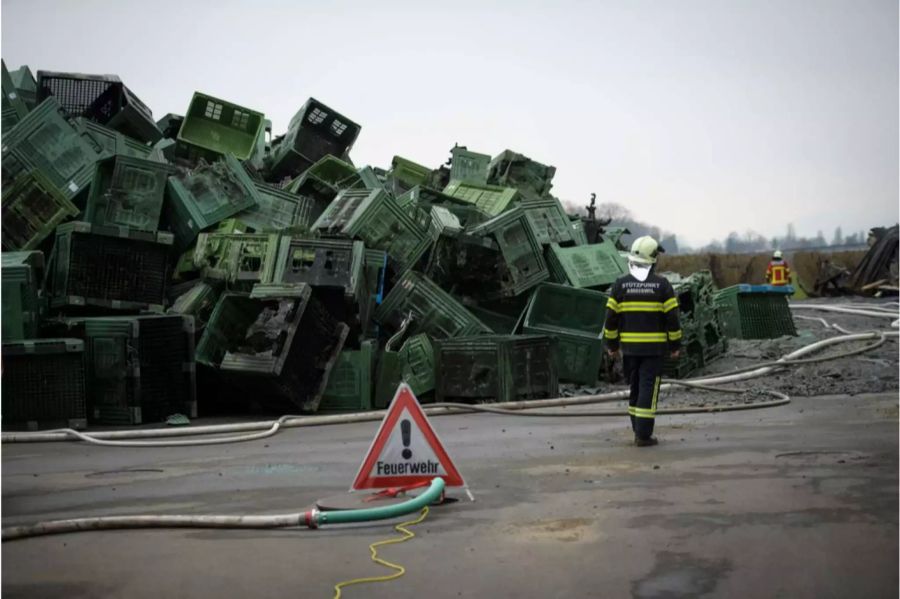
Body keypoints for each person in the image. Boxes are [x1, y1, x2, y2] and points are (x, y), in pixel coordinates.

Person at [602, 236, 682, 447]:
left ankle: (638, 429)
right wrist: (675, 346)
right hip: (653, 351)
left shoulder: (620, 285)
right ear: (653, 260)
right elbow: (672, 319)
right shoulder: (662, 286)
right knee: (648, 388)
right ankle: (644, 436)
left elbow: (610, 319)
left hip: (629, 350)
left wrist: (612, 346)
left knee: (635, 388)